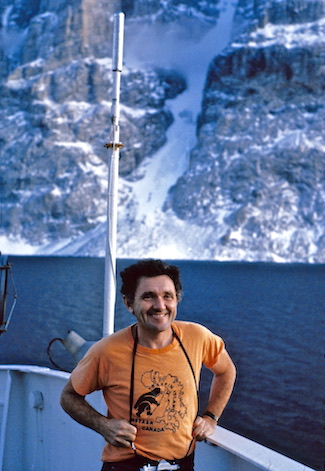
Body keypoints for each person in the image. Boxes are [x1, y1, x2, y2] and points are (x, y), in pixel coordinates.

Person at [60, 259, 236, 471]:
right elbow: (69, 396)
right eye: (148, 296)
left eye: (167, 296)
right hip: (125, 465)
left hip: (182, 465)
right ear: (128, 303)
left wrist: (211, 417)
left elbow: (226, 371)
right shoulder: (106, 351)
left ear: (177, 300)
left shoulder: (197, 338)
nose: (160, 306)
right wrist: (103, 425)